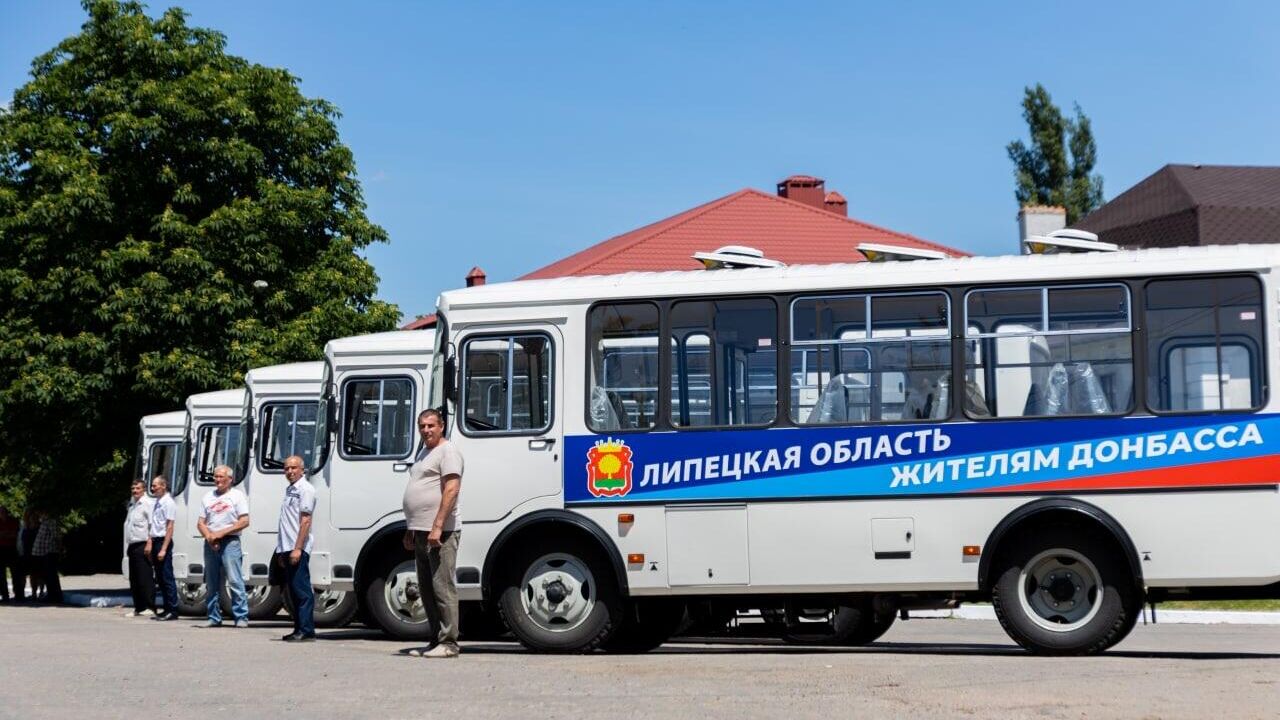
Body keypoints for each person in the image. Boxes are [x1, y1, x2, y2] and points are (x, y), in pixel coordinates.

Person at [402, 409, 463, 658]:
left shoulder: (448, 451)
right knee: (426, 587)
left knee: (442, 586)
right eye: (422, 426)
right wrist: (410, 528)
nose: (426, 430)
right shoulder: (424, 452)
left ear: (441, 426)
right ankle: (435, 639)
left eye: (430, 426)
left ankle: (449, 643)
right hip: (420, 531)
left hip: (441, 532)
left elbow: (451, 489)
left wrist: (438, 525)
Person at [197, 464, 250, 628]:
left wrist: (221, 533)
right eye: (216, 476)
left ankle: (241, 616)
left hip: (230, 542)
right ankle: (213, 617)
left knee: (235, 580)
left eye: (221, 477)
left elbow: (244, 521)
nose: (217, 480)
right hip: (211, 543)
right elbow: (200, 523)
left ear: (230, 479)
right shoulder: (207, 497)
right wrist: (209, 537)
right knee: (211, 582)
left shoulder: (237, 496)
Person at [275, 455, 316, 642]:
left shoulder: (305, 489)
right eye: (286, 468)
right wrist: (281, 550)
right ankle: (298, 628)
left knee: (302, 590)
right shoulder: (291, 489)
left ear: (302, 469)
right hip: (286, 546)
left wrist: (298, 548)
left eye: (293, 468)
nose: (289, 471)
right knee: (292, 590)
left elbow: (306, 521)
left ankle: (306, 630)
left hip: (297, 547)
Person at [147, 475, 179, 620]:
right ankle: (166, 608)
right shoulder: (158, 502)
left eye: (155, 486)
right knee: (159, 578)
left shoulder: (168, 503)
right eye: (152, 486)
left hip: (163, 542)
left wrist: (164, 548)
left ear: (164, 486)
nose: (152, 488)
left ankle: (172, 609)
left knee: (167, 577)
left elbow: (170, 527)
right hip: (156, 540)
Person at [124, 480, 156, 617]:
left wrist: (150, 543)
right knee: (134, 579)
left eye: (137, 488)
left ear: (143, 489)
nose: (135, 490)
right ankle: (138, 607)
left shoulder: (147, 504)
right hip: (132, 545)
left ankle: (150, 606)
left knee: (145, 578)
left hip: (143, 544)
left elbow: (152, 525)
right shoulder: (133, 506)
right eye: (133, 488)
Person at [31, 511, 62, 604]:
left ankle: (55, 596)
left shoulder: (51, 521)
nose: (40, 514)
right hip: (43, 552)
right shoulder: (44, 522)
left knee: (51, 575)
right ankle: (51, 595)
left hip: (50, 551)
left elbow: (57, 536)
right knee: (47, 575)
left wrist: (59, 549)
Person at [13, 509, 40, 601]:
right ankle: (22, 593)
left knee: (34, 575)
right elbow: (19, 540)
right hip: (23, 553)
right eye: (27, 515)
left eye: (31, 515)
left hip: (35, 553)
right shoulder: (23, 526)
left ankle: (34, 593)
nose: (29, 517)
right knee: (22, 575)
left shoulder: (37, 526)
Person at [0, 507, 17, 602]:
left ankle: (18, 594)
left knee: (15, 573)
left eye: (3, 512)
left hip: (11, 549)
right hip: (1, 550)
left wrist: (3, 534)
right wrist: (6, 534)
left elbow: (14, 534)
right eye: (0, 512)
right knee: (1, 575)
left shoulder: (13, 521)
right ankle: (5, 595)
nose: (2, 514)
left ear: (7, 513)